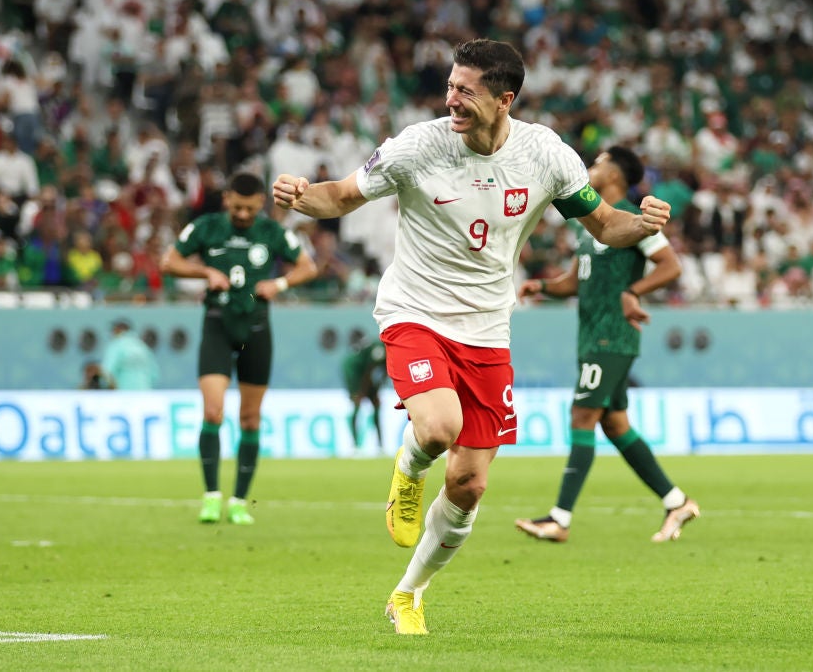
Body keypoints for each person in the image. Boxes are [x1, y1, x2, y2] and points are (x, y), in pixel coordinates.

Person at [272, 39, 671, 635]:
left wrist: (641, 223)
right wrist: (300, 194)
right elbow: (343, 196)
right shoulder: (418, 146)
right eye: (450, 87)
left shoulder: (545, 156)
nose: (450, 100)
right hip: (416, 311)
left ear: (504, 99)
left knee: (470, 483)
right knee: (437, 428)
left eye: (466, 91)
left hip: (487, 327)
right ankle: (408, 471)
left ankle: (408, 594)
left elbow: (605, 224)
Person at [512, 146, 700, 545]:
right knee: (614, 425)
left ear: (615, 173)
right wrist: (544, 286)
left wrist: (633, 290)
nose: (590, 168)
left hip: (612, 335)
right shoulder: (593, 223)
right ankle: (676, 501)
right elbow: (574, 281)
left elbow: (671, 265)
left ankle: (559, 519)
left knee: (582, 416)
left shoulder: (636, 219)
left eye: (596, 163)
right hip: (592, 335)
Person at [161, 172, 317, 526]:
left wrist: (278, 283)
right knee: (213, 411)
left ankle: (239, 501)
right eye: (237, 206)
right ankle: (212, 497)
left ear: (260, 203)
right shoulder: (207, 227)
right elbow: (169, 262)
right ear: (226, 198)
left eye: (250, 208)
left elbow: (308, 267)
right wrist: (204, 273)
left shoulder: (272, 233)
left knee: (250, 417)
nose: (243, 214)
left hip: (256, 330)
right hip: (217, 324)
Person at [341, 335, 388, 452]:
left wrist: (377, 389)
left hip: (366, 378)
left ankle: (380, 445)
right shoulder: (378, 350)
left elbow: (384, 372)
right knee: (356, 407)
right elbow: (368, 371)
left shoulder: (388, 353)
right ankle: (355, 445)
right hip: (354, 374)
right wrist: (361, 392)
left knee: (377, 407)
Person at [100, 319, 160, 390]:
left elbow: (108, 372)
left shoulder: (116, 345)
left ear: (118, 330)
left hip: (124, 394)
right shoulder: (142, 346)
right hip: (144, 393)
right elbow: (155, 374)